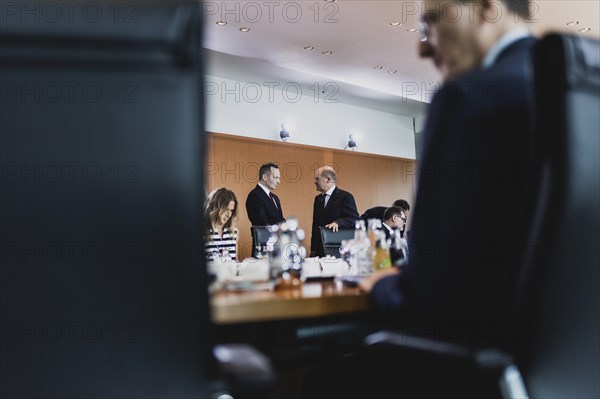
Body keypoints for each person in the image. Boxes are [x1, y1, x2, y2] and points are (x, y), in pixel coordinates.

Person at [361, 0, 537, 331]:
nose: (423, 47)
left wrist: (382, 286)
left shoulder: (469, 99)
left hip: (478, 364)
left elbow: (430, 297)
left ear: (486, 8)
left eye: (431, 25)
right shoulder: (585, 87)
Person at [311, 166, 359, 257]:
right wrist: (313, 249)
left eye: (317, 179)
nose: (314, 181)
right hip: (320, 251)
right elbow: (315, 226)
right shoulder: (317, 199)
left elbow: (354, 219)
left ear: (328, 179)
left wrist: (338, 222)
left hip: (338, 251)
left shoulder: (345, 197)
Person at [204, 187, 239, 262]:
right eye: (226, 209)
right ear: (216, 208)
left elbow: (235, 260)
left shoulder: (234, 231)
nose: (229, 215)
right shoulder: (203, 230)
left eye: (231, 210)